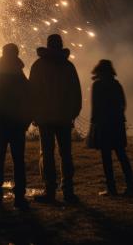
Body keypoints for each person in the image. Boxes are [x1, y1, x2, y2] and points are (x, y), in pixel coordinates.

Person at [28, 34, 82, 203]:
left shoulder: (38, 66)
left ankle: (49, 190)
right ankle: (68, 190)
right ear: (60, 45)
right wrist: (73, 113)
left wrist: (34, 114)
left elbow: (32, 92)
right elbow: (76, 92)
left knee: (47, 154)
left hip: (45, 118)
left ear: (48, 45)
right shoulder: (68, 66)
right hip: (64, 118)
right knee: (66, 154)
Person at [0, 43, 31, 210]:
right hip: (16, 125)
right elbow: (29, 99)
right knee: (18, 161)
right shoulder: (20, 76)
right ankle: (19, 196)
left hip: (0, 124)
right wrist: (26, 122)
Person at [86, 60, 133, 197]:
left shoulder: (97, 85)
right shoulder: (116, 84)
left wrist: (93, 125)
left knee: (106, 157)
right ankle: (131, 186)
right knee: (122, 155)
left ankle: (111, 188)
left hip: (103, 125)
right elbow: (123, 104)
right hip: (117, 123)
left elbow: (95, 107)